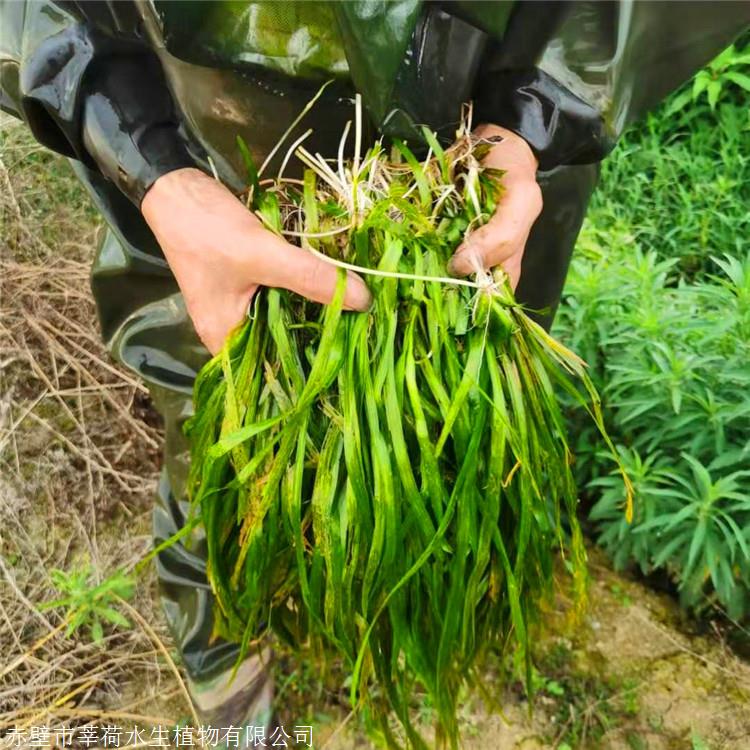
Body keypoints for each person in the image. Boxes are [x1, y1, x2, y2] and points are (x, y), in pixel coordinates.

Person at [3, 0, 749, 734]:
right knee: (219, 422)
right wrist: (152, 163)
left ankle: (431, 589)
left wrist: (534, 114)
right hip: (210, 138)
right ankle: (221, 643)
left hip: (481, 143)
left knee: (461, 413)